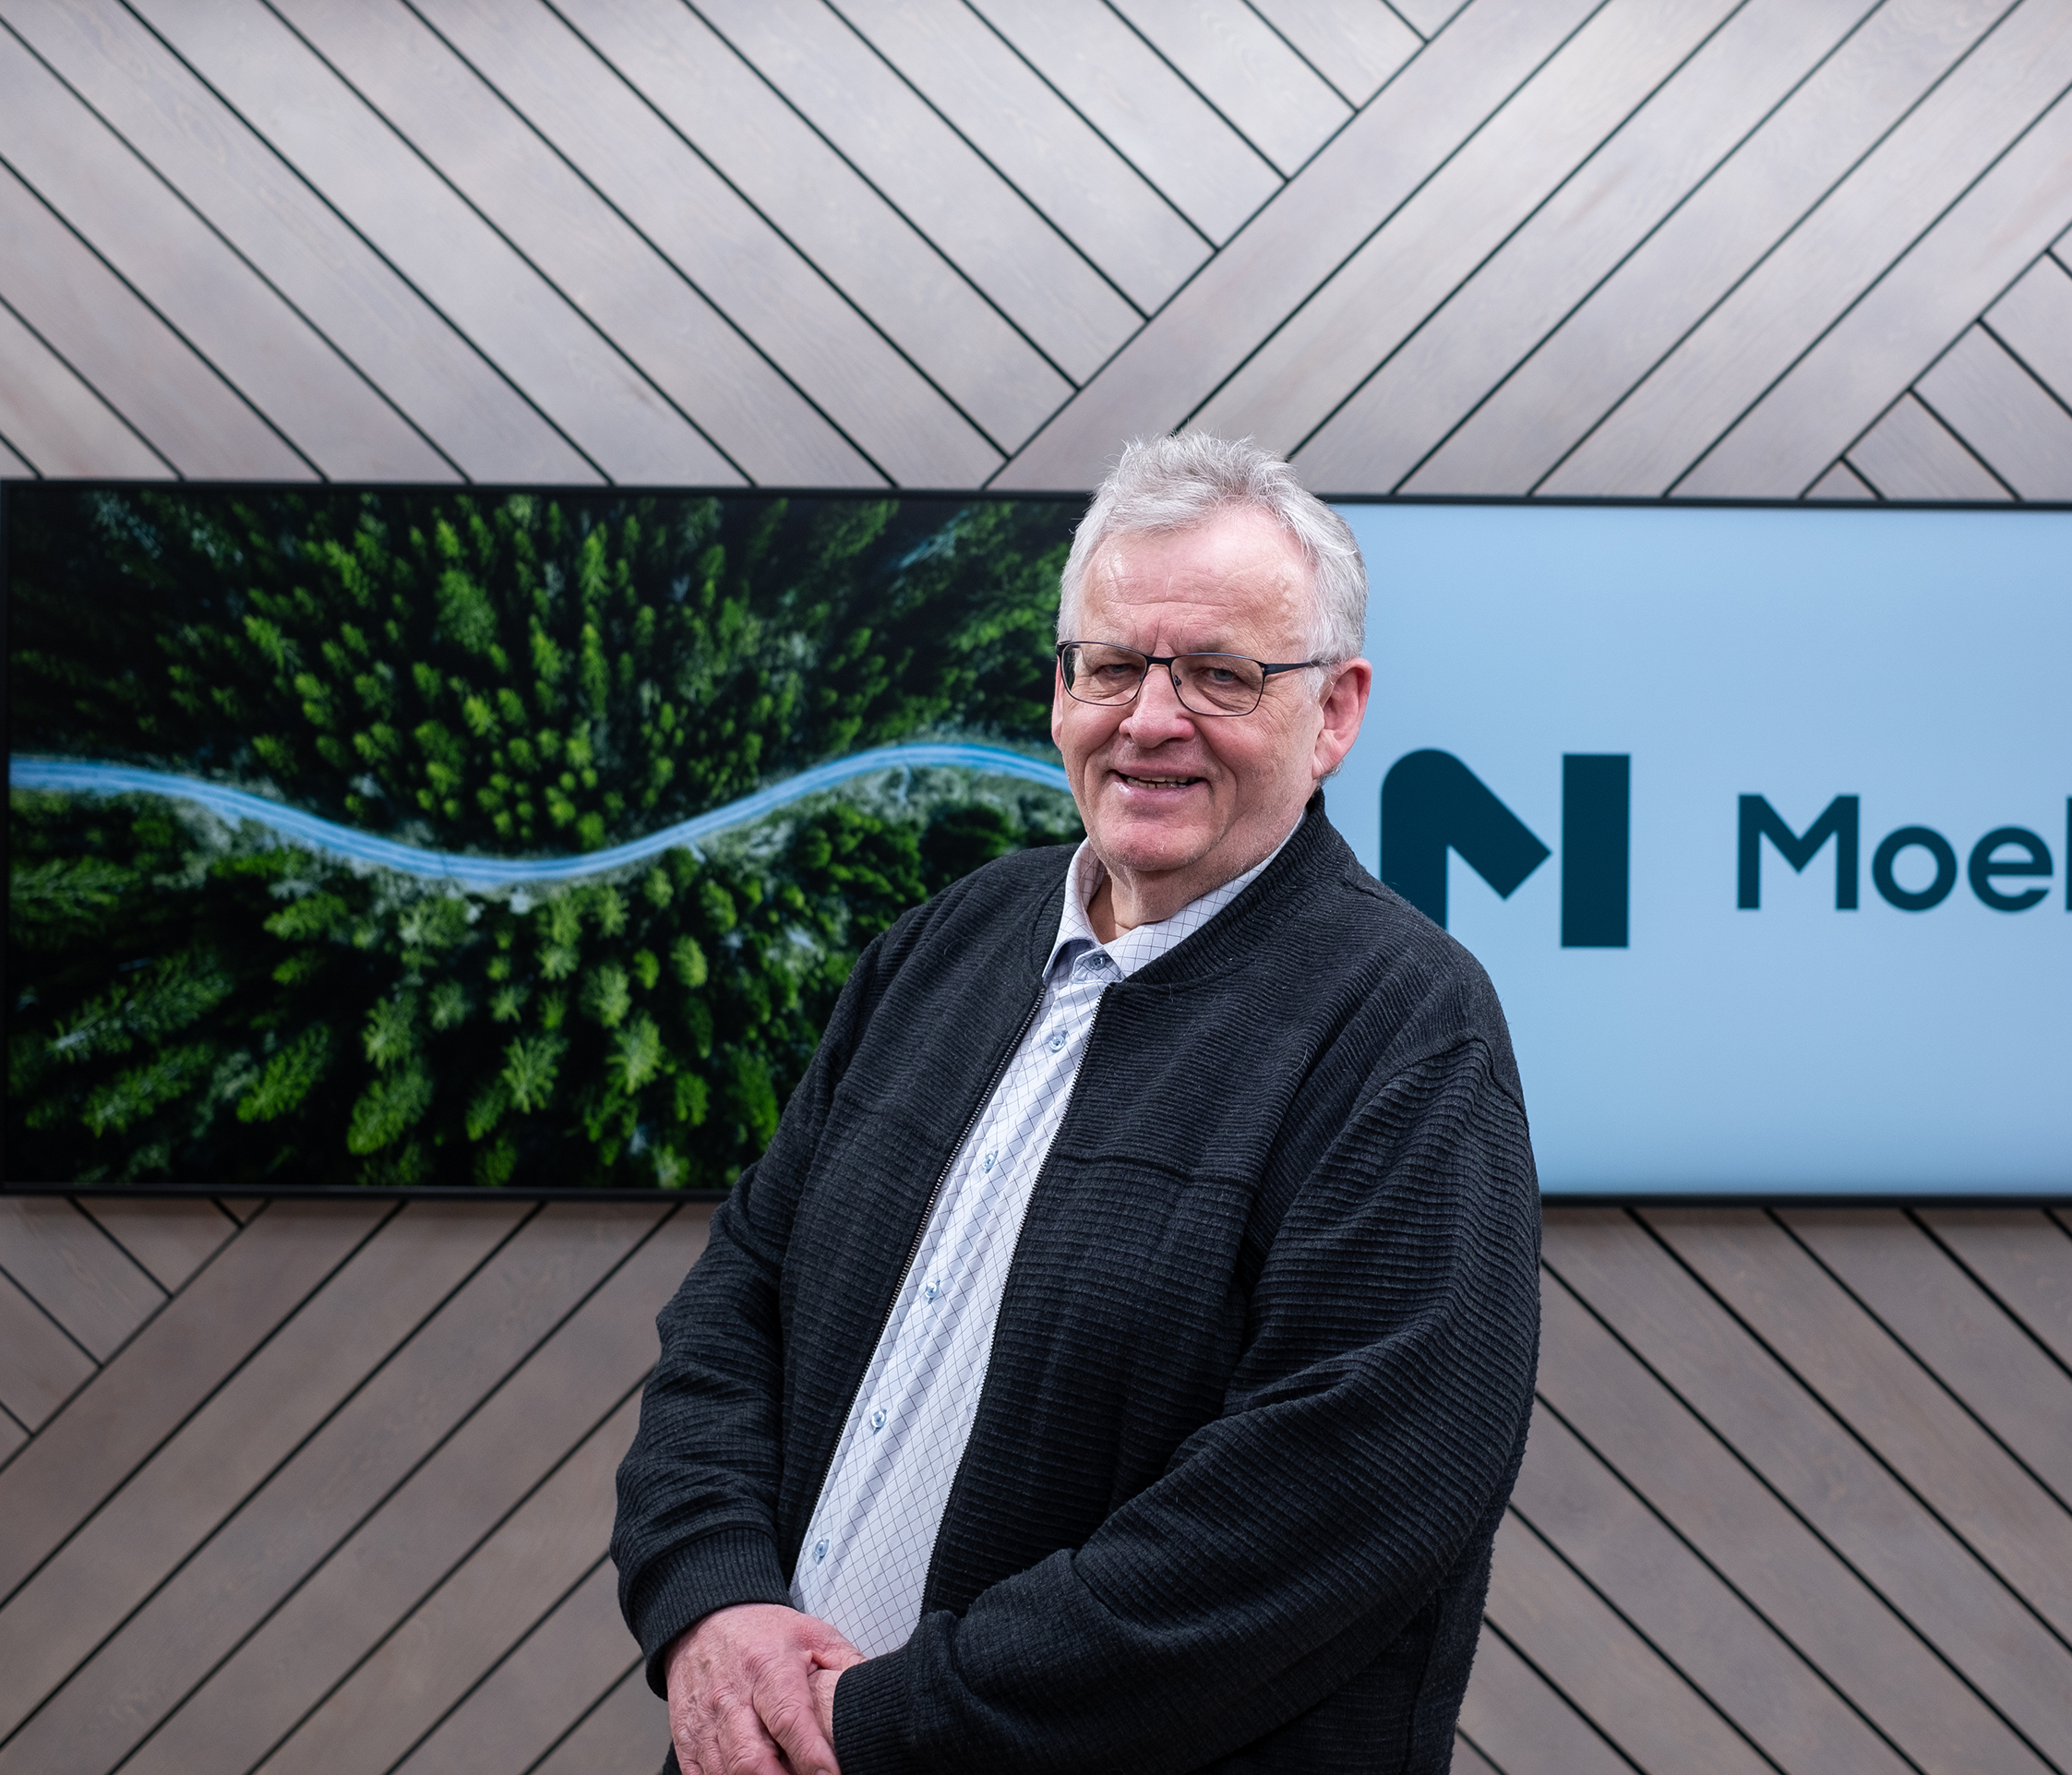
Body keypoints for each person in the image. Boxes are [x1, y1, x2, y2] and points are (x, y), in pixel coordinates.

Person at [612, 434, 1539, 1775]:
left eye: (1221, 673)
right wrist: (711, 1600)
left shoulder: (1410, 1034)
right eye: (1110, 665)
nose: (1150, 719)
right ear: (1062, 689)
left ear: (1334, 713)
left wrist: (879, 1727)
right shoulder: (949, 943)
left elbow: (1320, 1518)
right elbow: (738, 1300)